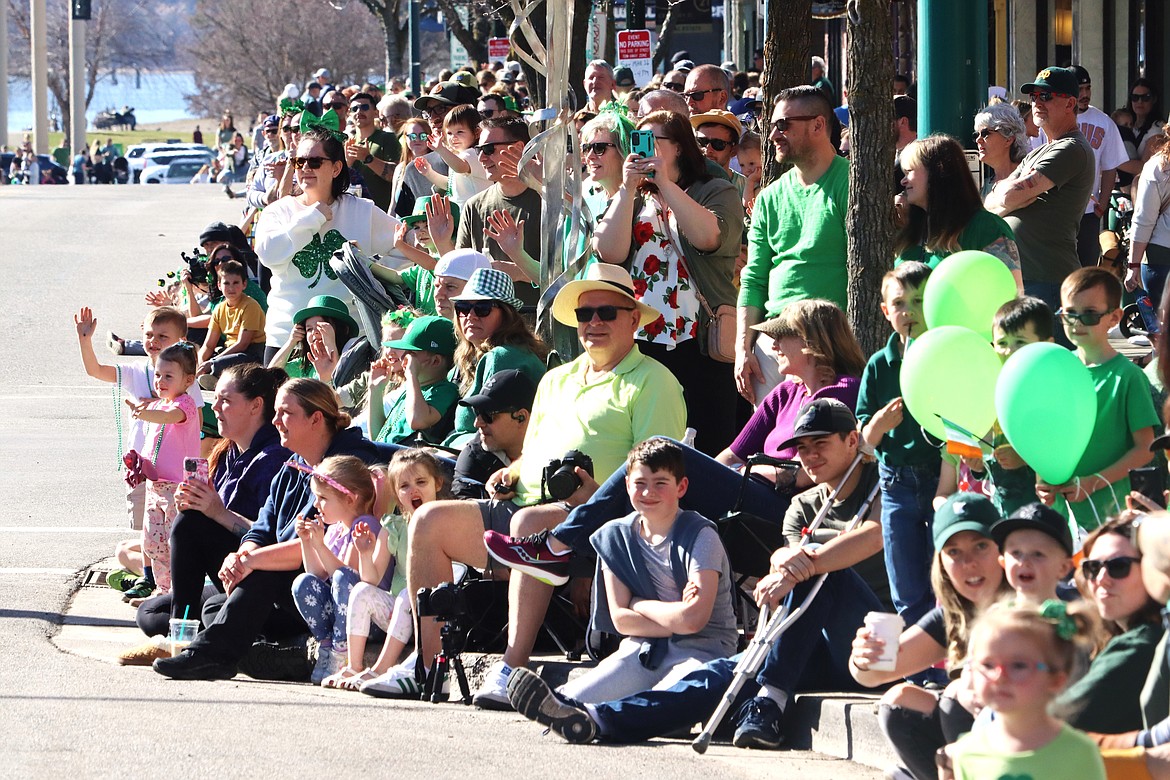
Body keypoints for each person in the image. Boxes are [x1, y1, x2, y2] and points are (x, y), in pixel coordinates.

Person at [505, 399, 890, 748]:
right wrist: (783, 569)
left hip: (879, 641)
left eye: (820, 445)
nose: (809, 457)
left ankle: (770, 702)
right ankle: (597, 719)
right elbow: (784, 557)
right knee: (716, 676)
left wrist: (802, 563)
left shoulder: (882, 489)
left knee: (821, 571)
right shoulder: (802, 506)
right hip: (809, 644)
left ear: (853, 441)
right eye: (802, 449)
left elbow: (872, 539)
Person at [394, 264, 685, 706]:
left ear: (633, 319)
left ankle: (513, 666)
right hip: (528, 505)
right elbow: (532, 450)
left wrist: (593, 495)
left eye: (607, 311)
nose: (594, 323)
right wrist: (512, 472)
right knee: (428, 519)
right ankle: (426, 667)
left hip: (601, 516)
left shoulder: (656, 382)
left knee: (529, 522)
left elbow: (657, 477)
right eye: (585, 315)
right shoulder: (555, 378)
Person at [488, 298, 866, 588]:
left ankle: (559, 547)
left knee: (658, 451)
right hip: (748, 495)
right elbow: (729, 456)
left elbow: (827, 465)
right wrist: (700, 473)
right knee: (656, 467)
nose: (772, 343)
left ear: (812, 341)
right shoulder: (784, 393)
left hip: (791, 511)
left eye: (782, 335)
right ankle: (571, 561)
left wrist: (772, 472)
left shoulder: (844, 391)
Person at [152, 379, 380, 680]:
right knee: (192, 531)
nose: (274, 422)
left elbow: (314, 546)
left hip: (323, 595)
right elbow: (261, 530)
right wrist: (241, 556)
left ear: (316, 419)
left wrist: (250, 561)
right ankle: (184, 640)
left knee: (263, 571)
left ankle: (212, 656)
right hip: (280, 588)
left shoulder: (348, 466)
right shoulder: (292, 465)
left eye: (285, 413)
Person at [119, 365, 291, 666]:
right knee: (149, 613)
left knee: (190, 525)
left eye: (225, 400)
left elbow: (274, 540)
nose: (214, 407)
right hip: (225, 573)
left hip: (261, 580)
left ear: (255, 406)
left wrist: (216, 512)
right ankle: (201, 634)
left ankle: (182, 641)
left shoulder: (274, 458)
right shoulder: (228, 453)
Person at [593, 109, 743, 455]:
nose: (642, 149)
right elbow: (609, 253)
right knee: (652, 443)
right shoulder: (631, 195)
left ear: (678, 146)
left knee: (707, 444)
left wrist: (665, 184)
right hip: (644, 337)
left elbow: (709, 237)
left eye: (653, 141)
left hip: (701, 339)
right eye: (636, 141)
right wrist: (629, 188)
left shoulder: (715, 189)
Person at [551, 438, 735, 704]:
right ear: (627, 485)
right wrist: (677, 617)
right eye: (640, 484)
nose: (649, 493)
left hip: (703, 648)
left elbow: (695, 621)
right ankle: (583, 714)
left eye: (660, 483)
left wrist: (638, 604)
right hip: (643, 648)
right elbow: (622, 621)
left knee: (661, 705)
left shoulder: (701, 536)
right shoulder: (615, 536)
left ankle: (606, 719)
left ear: (681, 487)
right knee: (570, 700)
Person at [852, 493, 1011, 780]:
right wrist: (864, 658)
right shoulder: (953, 615)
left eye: (980, 546)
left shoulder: (1029, 603)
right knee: (898, 701)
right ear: (942, 564)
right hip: (984, 736)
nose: (969, 563)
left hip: (1038, 739)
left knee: (955, 696)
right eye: (954, 552)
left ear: (1003, 551)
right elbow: (875, 675)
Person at [254, 123, 403, 364]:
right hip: (288, 336)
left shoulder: (361, 210)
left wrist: (372, 271)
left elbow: (404, 243)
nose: (305, 168)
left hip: (350, 335)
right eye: (298, 162)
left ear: (335, 168)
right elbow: (269, 254)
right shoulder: (277, 211)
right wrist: (312, 218)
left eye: (314, 162)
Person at [737, 85, 848, 405]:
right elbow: (754, 277)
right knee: (768, 454)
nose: (773, 135)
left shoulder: (851, 183)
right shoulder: (770, 197)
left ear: (818, 125)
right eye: (770, 126)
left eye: (783, 125)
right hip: (771, 351)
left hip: (830, 347)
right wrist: (742, 348)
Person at [1037, 268, 1158, 528]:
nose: (1077, 323)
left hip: (1110, 516)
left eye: (1090, 314)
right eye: (1069, 314)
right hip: (1062, 517)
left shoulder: (1127, 377)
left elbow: (1145, 448)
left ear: (1114, 317)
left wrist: (1093, 482)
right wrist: (1042, 479)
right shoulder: (1057, 369)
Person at [857, 262, 941, 635]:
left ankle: (943, 663)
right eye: (900, 303)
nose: (909, 312)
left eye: (919, 301)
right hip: (896, 483)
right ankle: (918, 669)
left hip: (941, 476)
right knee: (905, 579)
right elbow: (863, 438)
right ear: (885, 311)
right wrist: (879, 424)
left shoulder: (945, 354)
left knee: (942, 573)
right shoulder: (880, 364)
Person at [943, 602, 1106, 780]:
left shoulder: (1079, 753)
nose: (1000, 677)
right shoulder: (967, 752)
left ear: (1056, 680)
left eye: (1018, 666)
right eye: (988, 665)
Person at [985, 67, 1094, 315]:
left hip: (1049, 280)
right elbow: (989, 204)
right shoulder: (1037, 152)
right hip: (1024, 277)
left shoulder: (1072, 147)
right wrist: (1008, 197)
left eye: (1046, 96)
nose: (1036, 103)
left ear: (1070, 103)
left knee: (1048, 352)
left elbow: (1008, 196)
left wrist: (1008, 197)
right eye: (1034, 97)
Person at [349, 449, 447, 694]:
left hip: (438, 613)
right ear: (395, 492)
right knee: (362, 591)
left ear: (438, 483)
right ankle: (353, 665)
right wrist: (363, 552)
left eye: (421, 482)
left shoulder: (448, 520)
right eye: (404, 486)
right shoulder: (394, 526)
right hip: (400, 615)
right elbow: (371, 578)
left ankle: (382, 668)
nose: (413, 490)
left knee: (408, 593)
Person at [290, 454, 394, 684]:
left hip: (369, 622)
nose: (316, 504)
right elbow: (317, 575)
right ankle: (327, 646)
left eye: (323, 498)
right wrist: (307, 542)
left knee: (343, 576)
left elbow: (347, 577)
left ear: (350, 499)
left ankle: (341, 652)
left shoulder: (364, 526)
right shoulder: (337, 528)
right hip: (343, 620)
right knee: (303, 583)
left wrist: (319, 545)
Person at [1055, 517, 1164, 734]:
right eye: (1093, 567)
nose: (1102, 579)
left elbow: (1057, 721)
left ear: (1153, 570)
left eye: (1119, 566)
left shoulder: (1141, 645)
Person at [432, 117, 543, 308]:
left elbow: (568, 274)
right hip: (485, 322)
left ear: (517, 148)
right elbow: (460, 274)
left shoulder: (549, 201)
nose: (482, 158)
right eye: (479, 150)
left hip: (538, 319)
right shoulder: (474, 205)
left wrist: (519, 271)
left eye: (489, 149)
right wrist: (442, 244)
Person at [123, 343, 202, 600]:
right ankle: (162, 590)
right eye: (157, 375)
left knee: (175, 544)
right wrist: (138, 463)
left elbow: (172, 418)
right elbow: (154, 445)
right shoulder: (158, 406)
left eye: (169, 376)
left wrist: (145, 412)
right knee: (153, 543)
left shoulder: (186, 405)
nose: (161, 381)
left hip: (178, 489)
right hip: (155, 487)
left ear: (188, 380)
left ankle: (178, 593)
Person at [896, 136, 1023, 290]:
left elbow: (1012, 296)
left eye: (909, 171)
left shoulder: (987, 228)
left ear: (938, 172)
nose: (903, 181)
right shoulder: (908, 232)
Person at [443, 268, 546, 448]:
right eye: (463, 308)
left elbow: (480, 426)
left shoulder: (503, 356)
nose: (471, 316)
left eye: (482, 308)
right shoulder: (472, 356)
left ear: (507, 315)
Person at [370, 315, 459, 445]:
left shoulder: (445, 390)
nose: (403, 358)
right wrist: (375, 390)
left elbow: (417, 421)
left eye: (411, 353)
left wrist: (411, 375)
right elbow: (378, 437)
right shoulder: (411, 390)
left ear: (436, 361)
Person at [450, 369, 536, 499]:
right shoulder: (474, 456)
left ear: (521, 417)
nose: (477, 423)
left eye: (488, 415)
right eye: (477, 411)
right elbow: (462, 503)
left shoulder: (556, 448)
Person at [990, 503, 1074, 606]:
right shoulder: (995, 618)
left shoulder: (1075, 619)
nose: (1024, 562)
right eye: (1016, 553)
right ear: (1003, 563)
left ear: (1063, 568)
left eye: (1037, 554)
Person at [196, 260, 266, 383]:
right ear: (219, 285)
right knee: (203, 357)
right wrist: (200, 363)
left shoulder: (250, 305)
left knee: (223, 363)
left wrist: (213, 362)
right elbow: (209, 344)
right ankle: (209, 377)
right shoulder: (219, 308)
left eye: (236, 283)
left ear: (244, 284)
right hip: (228, 350)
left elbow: (243, 343)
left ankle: (216, 378)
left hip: (251, 353)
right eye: (226, 283)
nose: (231, 288)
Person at [1126, 125, 1170, 308]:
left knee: (1162, 330)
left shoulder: (1158, 167)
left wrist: (1133, 265)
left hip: (1161, 256)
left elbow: (1144, 220)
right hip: (1161, 256)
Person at [267, 294, 359, 381]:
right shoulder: (305, 365)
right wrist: (291, 342)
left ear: (340, 329)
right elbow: (271, 375)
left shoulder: (351, 358)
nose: (314, 332)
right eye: (309, 329)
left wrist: (331, 346)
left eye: (321, 326)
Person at [415, 105, 491, 207]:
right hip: (463, 212)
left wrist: (441, 149)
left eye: (459, 132)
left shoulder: (475, 153)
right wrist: (429, 173)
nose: (453, 137)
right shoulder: (459, 156)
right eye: (449, 133)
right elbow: (450, 185)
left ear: (477, 132)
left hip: (478, 212)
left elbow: (461, 167)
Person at [344, 91, 399, 213]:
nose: (359, 111)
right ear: (349, 114)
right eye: (354, 109)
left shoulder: (388, 139)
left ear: (375, 113)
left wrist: (368, 159)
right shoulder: (346, 144)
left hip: (382, 215)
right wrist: (347, 164)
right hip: (353, 215)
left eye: (364, 107)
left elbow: (397, 175)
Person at [974, 102, 1031, 198]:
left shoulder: (1029, 179)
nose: (978, 140)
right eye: (976, 135)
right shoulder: (981, 186)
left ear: (1008, 139)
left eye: (985, 134)